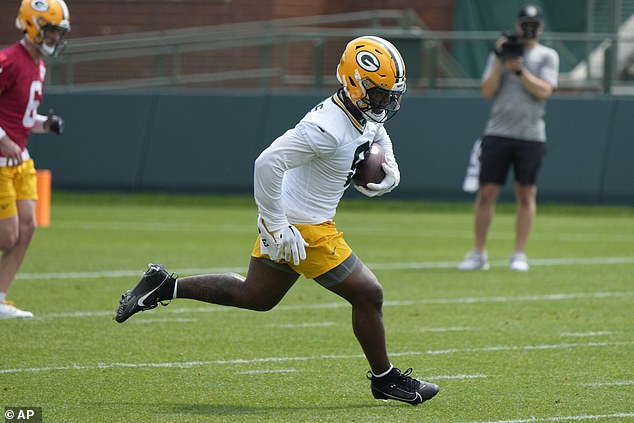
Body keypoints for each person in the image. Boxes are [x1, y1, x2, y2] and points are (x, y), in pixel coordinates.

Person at [116, 35, 439, 406]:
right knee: (369, 293)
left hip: (298, 220)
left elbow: (375, 128)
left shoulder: (359, 109)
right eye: (380, 94)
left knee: (256, 295)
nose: (386, 103)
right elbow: (267, 163)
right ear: (355, 83)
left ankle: (164, 286)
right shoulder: (326, 128)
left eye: (390, 95)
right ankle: (385, 379)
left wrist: (390, 164)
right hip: (305, 227)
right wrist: (276, 224)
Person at [458, 4, 559, 272]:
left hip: (531, 135)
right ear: (517, 25)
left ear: (541, 28)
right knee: (486, 192)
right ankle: (479, 253)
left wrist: (519, 71)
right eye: (525, 24)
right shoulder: (501, 55)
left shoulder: (547, 56)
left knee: (526, 194)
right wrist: (499, 59)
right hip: (498, 132)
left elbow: (544, 91)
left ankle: (519, 254)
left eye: (534, 25)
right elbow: (487, 91)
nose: (529, 29)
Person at [0, 0, 70, 319]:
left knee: (27, 228)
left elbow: (23, 118)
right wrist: (3, 140)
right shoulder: (8, 61)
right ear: (32, 25)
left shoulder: (38, 64)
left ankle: (0, 298)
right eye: (51, 30)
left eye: (58, 31)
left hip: (20, 159)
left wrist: (45, 124)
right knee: (8, 235)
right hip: (2, 160)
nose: (55, 37)